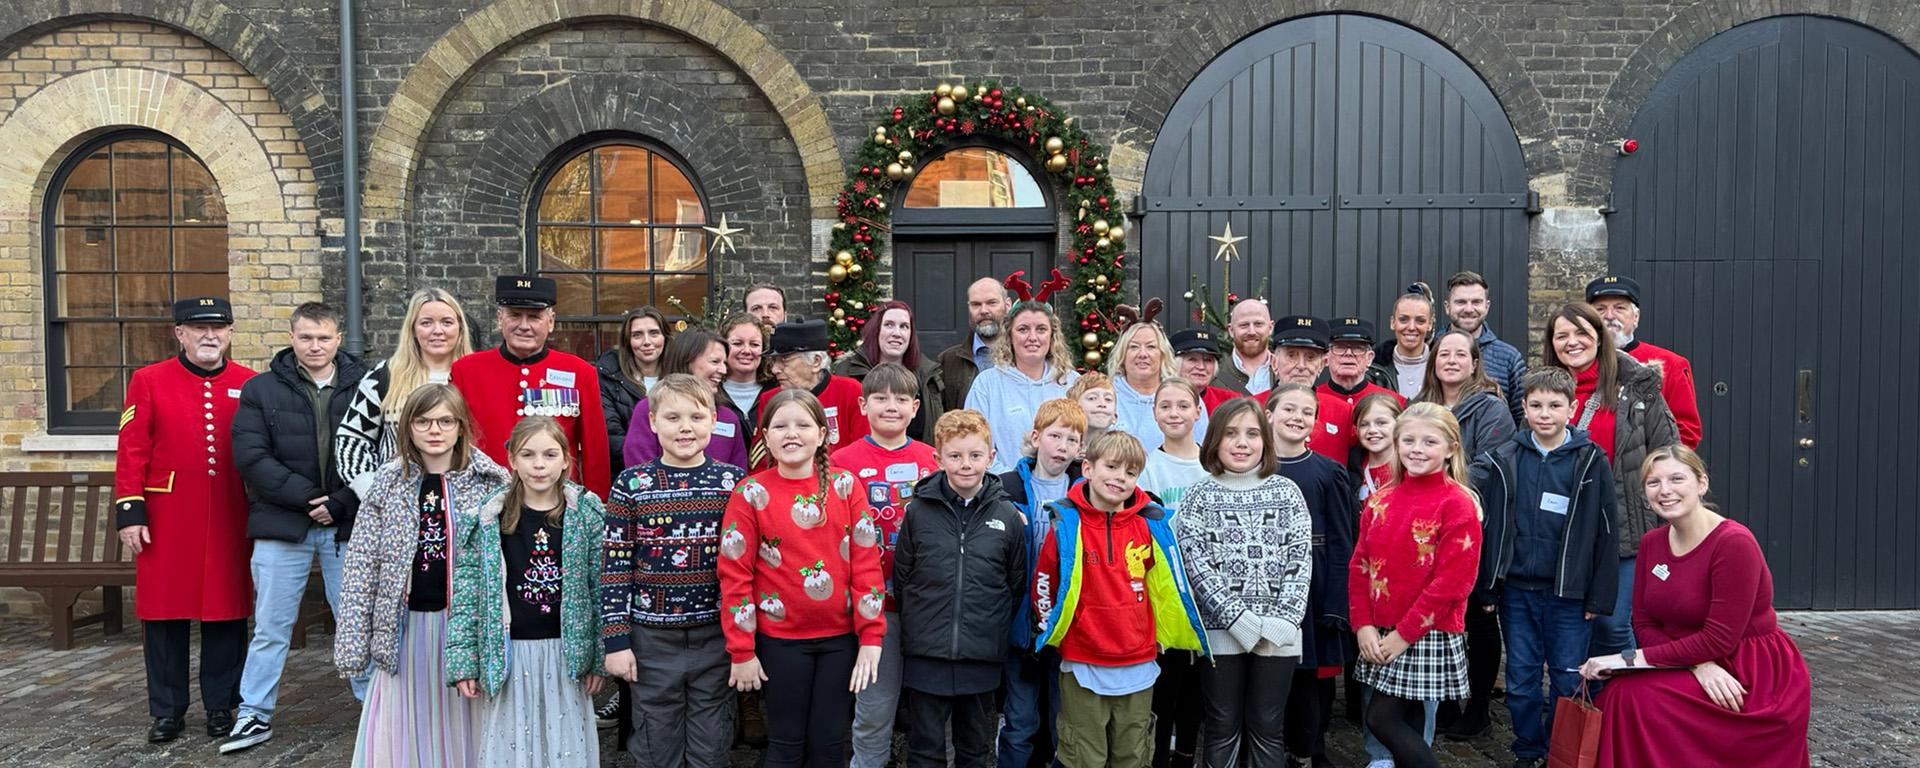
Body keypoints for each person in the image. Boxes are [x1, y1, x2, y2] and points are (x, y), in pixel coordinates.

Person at [1578, 446, 1811, 768]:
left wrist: (1626, 659)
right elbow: (1643, 622)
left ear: (1701, 483)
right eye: (1654, 483)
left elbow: (1719, 640)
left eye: (1677, 479)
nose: (1665, 491)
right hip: (1691, 662)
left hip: (1748, 670)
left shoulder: (1733, 543)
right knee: (1619, 695)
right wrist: (1694, 666)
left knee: (1631, 698)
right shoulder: (1652, 542)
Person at [223, 302, 370, 753]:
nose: (315, 346)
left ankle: (376, 710)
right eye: (306, 337)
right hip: (282, 523)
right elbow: (250, 456)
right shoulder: (260, 389)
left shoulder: (368, 387)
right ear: (292, 337)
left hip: (347, 524)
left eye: (323, 337)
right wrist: (309, 500)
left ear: (339, 337)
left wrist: (342, 501)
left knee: (356, 622)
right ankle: (253, 714)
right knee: (271, 625)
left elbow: (385, 451)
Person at [335, 383, 506, 766]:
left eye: (445, 421)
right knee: (407, 719)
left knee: (466, 714)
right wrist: (353, 641)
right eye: (423, 421)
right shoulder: (389, 484)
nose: (435, 430)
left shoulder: (490, 485)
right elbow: (362, 562)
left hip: (463, 627)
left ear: (461, 426)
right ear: (407, 427)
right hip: (405, 629)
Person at [114, 296, 257, 744]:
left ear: (231, 333)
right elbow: (132, 448)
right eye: (198, 329)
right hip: (167, 517)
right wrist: (130, 510)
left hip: (231, 515)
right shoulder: (149, 380)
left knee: (226, 613)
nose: (209, 336)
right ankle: (167, 711)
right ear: (180, 333)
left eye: (218, 328)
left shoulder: (250, 383)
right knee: (163, 616)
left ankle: (221, 706)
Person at [719, 389, 887, 767]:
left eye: (802, 424)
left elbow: (865, 563)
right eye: (780, 425)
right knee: (786, 745)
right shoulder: (750, 493)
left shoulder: (846, 486)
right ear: (764, 435)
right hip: (780, 642)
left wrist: (871, 636)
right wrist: (742, 650)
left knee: (829, 744)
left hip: (840, 640)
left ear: (823, 433)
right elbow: (735, 575)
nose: (791, 433)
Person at [1030, 431, 1209, 768]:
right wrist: (1050, 628)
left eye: (1130, 472)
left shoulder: (1152, 525)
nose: (1120, 478)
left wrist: (1162, 636)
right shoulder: (1067, 524)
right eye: (1111, 467)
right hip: (1082, 658)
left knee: (1133, 753)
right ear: (1087, 468)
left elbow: (1166, 588)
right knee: (1083, 755)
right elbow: (1044, 582)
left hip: (1138, 659)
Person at [1473, 368, 1620, 768]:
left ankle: (1560, 749)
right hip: (1518, 590)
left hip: (1568, 592)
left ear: (1572, 409)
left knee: (1567, 677)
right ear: (1523, 407)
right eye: (1536, 405)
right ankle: (1528, 748)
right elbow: (1492, 526)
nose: (1545, 413)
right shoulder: (1507, 457)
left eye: (1555, 405)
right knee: (1520, 678)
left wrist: (1599, 593)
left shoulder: (1590, 460)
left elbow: (1607, 529)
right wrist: (1488, 585)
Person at [444, 417, 606, 767]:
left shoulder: (586, 515)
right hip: (509, 655)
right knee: (512, 744)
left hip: (567, 654)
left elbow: (600, 588)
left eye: (549, 455)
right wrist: (464, 663)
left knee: (565, 744)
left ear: (565, 459)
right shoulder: (489, 518)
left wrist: (598, 657)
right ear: (512, 461)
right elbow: (468, 593)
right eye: (528, 455)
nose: (538, 464)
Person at [602, 374, 745, 765]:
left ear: (714, 421)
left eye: (697, 417)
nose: (685, 427)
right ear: (652, 422)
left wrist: (745, 637)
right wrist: (616, 640)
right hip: (651, 638)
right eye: (673, 417)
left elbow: (746, 566)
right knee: (654, 740)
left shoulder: (733, 483)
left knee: (712, 739)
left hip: (716, 635)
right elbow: (615, 565)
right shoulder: (632, 484)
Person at [1539, 303, 1679, 660]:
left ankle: (1623, 707)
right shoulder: (1544, 393)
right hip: (1565, 529)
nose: (1572, 342)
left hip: (1624, 527)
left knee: (1613, 625)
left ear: (1599, 337)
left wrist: (1667, 519)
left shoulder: (1636, 388)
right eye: (1562, 336)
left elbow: (1666, 452)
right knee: (1571, 627)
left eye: (1582, 333)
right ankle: (1583, 706)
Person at [1176, 397, 1311, 768]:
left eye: (1252, 434)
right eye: (1231, 433)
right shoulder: (1199, 496)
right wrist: (1238, 620)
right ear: (1215, 440)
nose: (1241, 442)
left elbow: (1299, 561)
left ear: (1266, 441)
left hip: (1279, 632)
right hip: (1222, 632)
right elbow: (1196, 566)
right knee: (1221, 728)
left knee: (1268, 727)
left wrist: (1284, 620)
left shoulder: (1287, 493)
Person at [1348, 403, 1483, 768]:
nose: (1417, 449)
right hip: (1381, 629)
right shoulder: (1380, 500)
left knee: (1383, 718)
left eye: (1429, 441)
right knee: (1397, 721)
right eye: (1408, 440)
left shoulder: (1457, 504)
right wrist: (1362, 624)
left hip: (1426, 631)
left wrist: (1404, 635)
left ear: (1451, 448)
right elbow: (1360, 565)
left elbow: (1453, 583)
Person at [893, 409, 1029, 768]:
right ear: (938, 459)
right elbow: (903, 577)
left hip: (981, 653)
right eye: (955, 456)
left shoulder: (1007, 516)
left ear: (991, 457)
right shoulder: (918, 512)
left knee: (974, 747)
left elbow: (1014, 583)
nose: (965, 465)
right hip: (927, 652)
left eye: (974, 455)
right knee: (925, 749)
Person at [834, 363, 939, 768]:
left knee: (932, 709)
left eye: (900, 399)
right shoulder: (842, 462)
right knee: (874, 707)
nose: (890, 406)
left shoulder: (932, 459)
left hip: (927, 604)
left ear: (915, 408)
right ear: (863, 405)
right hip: (873, 607)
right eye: (880, 398)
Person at [1414, 328, 1515, 740]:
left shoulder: (1491, 409)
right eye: (1443, 354)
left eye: (1461, 354)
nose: (1451, 360)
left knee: (1478, 615)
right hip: (1424, 530)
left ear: (1475, 363)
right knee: (1439, 615)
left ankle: (1477, 709)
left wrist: (1436, 484)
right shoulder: (1419, 407)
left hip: (1475, 527)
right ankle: (1446, 703)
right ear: (1433, 362)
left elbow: (1490, 466)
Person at [450, 275, 610, 498]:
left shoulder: (579, 372)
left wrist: (597, 504)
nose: (524, 326)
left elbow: (595, 451)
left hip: (556, 499)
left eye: (534, 317)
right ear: (500, 319)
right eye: (515, 315)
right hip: (485, 496)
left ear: (551, 321)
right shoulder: (466, 371)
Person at [1264, 385, 1356, 768]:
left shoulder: (1328, 472)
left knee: (1310, 676)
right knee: (1272, 670)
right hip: (1266, 579)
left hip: (1314, 582)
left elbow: (1341, 540)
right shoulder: (1253, 468)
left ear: (1316, 424)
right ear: (1268, 413)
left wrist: (1337, 600)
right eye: (1289, 409)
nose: (1297, 417)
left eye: (1307, 412)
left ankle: (1310, 748)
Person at [997, 398, 1087, 768]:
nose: (1062, 446)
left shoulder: (1086, 492)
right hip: (1021, 621)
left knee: (1062, 719)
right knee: (1020, 720)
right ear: (1036, 437)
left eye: (1071, 439)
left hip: (1069, 623)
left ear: (1081, 448)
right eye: (1054, 436)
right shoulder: (1006, 488)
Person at [337, 287, 475, 499]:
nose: (437, 330)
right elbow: (352, 440)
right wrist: (372, 490)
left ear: (460, 328)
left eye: (447, 322)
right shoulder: (386, 376)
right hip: (398, 501)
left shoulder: (478, 374)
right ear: (412, 329)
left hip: (465, 502)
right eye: (426, 322)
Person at [1136, 379, 1209, 768]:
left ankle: (1186, 756)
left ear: (1198, 412)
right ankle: (1159, 755)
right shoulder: (1148, 467)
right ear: (1155, 413)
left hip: (1206, 588)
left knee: (1197, 688)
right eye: (1166, 406)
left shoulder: (1212, 464)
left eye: (1183, 406)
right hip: (1166, 591)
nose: (1175, 413)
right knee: (1167, 682)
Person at [1587, 275, 1702, 449]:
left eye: (1619, 308)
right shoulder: (1578, 362)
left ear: (1636, 317)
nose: (1609, 316)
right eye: (1600, 309)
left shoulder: (1671, 364)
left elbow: (1686, 432)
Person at [967, 299, 1080, 474]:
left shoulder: (1072, 383)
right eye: (1023, 329)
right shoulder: (987, 384)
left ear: (1052, 336)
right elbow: (974, 444)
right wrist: (1012, 483)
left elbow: (1088, 440)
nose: (1032, 337)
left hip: (1064, 493)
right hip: (1006, 492)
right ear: (1009, 336)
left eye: (1041, 329)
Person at [624, 329, 749, 470]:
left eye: (724, 363)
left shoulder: (729, 417)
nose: (723, 370)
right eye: (715, 361)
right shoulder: (648, 408)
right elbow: (640, 471)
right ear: (687, 360)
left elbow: (739, 478)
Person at [755, 317, 869, 465]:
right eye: (773, 361)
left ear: (815, 361)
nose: (774, 369)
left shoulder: (850, 392)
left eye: (784, 360)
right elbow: (763, 464)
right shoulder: (770, 399)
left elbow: (862, 453)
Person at [835, 299, 946, 442]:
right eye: (889, 325)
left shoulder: (928, 375)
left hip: (920, 461)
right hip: (863, 461)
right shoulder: (849, 372)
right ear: (877, 330)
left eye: (904, 326)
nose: (897, 333)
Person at [1318, 317, 1406, 465]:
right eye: (1339, 347)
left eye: (1358, 348)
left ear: (1370, 358)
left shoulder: (1397, 402)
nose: (1349, 354)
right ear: (1327, 356)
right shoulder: (1313, 400)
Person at [598, 306, 672, 477]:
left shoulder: (681, 376)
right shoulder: (609, 377)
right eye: (637, 335)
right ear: (628, 341)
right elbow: (611, 436)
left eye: (654, 333)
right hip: (627, 473)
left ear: (665, 337)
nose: (647, 341)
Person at [1443, 271, 1526, 423]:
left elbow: (1522, 418)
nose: (1469, 309)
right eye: (1461, 302)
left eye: (1476, 302)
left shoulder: (1509, 357)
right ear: (1447, 307)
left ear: (1486, 306)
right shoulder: (1432, 350)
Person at [1109, 322, 1189, 453]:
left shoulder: (1184, 396)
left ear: (1163, 354)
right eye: (1134, 347)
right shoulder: (1105, 396)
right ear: (1122, 355)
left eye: (1151, 347)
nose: (1142, 354)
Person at [937, 277, 1011, 413]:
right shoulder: (947, 361)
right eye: (976, 304)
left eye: (992, 303)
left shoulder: (1024, 357)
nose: (983, 310)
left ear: (1008, 305)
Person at [1378, 283, 1437, 400]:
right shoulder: (1374, 369)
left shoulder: (1442, 366)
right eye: (1403, 319)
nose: (1411, 327)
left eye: (1420, 321)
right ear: (1392, 322)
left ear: (1430, 324)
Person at [720, 313, 773, 431]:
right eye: (737, 343)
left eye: (754, 344)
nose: (746, 351)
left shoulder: (776, 392)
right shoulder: (710, 393)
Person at [1168, 327, 1241, 413]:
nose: (1201, 367)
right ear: (1175, 363)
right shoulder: (1157, 399)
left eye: (1208, 360)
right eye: (1192, 359)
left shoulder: (1231, 402)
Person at [1211, 299, 1274, 395]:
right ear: (1231, 330)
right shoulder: (1213, 378)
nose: (1252, 332)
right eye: (1244, 325)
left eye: (1258, 324)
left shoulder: (1287, 373)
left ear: (1270, 328)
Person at [1352, 393, 1405, 504]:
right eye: (1364, 424)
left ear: (1399, 425)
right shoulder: (1352, 468)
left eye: (1381, 423)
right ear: (1356, 429)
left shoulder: (1410, 468)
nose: (1372, 430)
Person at [1067, 373, 1118, 446]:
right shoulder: (1059, 450)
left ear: (1115, 416)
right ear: (1074, 409)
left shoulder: (1123, 452)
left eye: (1108, 399)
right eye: (1092, 398)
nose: (1102, 404)